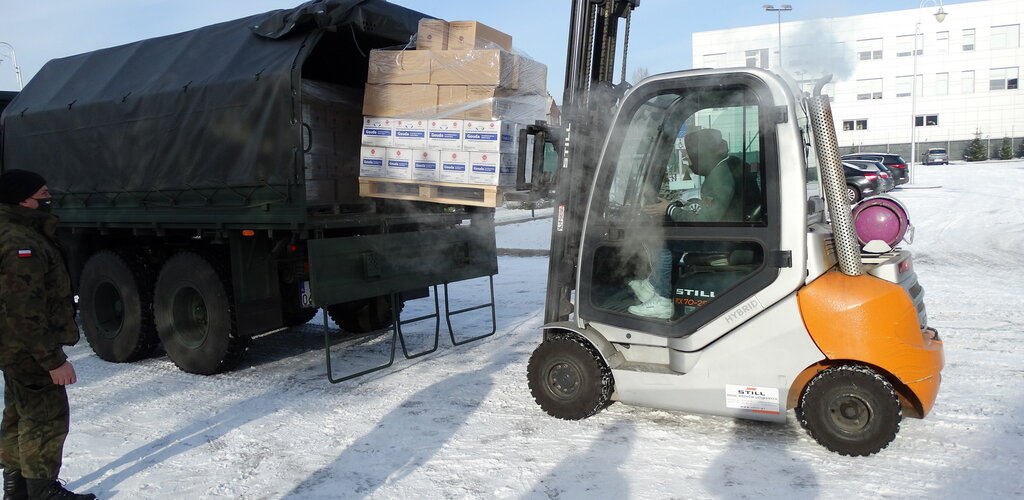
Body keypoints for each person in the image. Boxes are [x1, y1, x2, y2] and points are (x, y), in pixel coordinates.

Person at [0, 170, 96, 500]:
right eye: (43, 193)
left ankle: (17, 489)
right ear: (24, 199)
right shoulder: (19, 242)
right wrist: (52, 360)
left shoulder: (14, 231)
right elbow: (24, 309)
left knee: (18, 414)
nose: (48, 197)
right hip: (26, 348)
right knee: (45, 419)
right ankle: (42, 492)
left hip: (12, 347)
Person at [627, 128, 744, 320]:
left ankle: (662, 300)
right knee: (675, 238)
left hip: (724, 239)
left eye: (690, 157)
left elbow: (705, 221)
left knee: (663, 240)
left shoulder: (719, 178)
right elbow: (713, 209)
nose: (687, 161)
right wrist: (682, 206)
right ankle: (653, 285)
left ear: (702, 155)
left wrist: (669, 210)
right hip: (729, 231)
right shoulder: (726, 166)